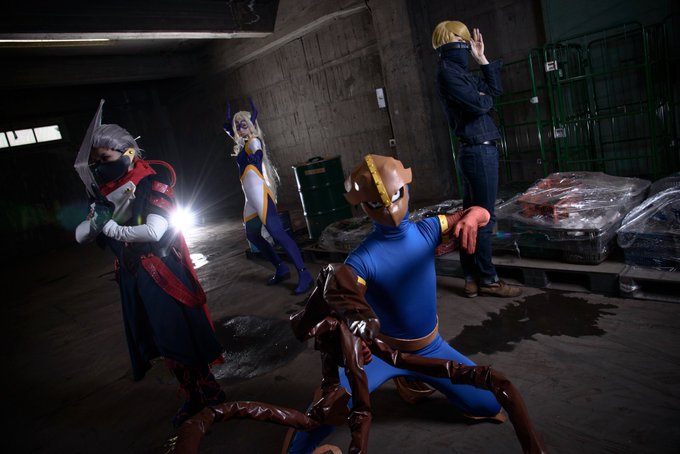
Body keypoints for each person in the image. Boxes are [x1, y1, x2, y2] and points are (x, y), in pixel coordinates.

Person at [287, 154, 505, 454]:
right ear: (364, 206)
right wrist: (356, 343)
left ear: (406, 188)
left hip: (430, 348)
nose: (389, 210)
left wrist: (471, 217)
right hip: (382, 354)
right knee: (327, 410)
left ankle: (412, 381)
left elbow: (481, 213)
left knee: (490, 402)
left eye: (394, 197)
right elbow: (346, 306)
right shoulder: (361, 260)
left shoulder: (429, 229)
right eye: (377, 203)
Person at [74, 104, 226, 428]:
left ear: (128, 153)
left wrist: (112, 228)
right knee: (157, 337)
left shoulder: (153, 183)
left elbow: (155, 232)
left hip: (161, 271)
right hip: (132, 276)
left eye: (106, 158)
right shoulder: (103, 195)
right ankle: (192, 395)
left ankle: (210, 390)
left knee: (179, 333)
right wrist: (95, 222)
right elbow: (81, 234)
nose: (101, 167)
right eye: (96, 162)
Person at [432, 20, 522, 298]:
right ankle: (488, 279)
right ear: (449, 45)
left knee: (469, 218)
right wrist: (481, 97)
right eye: (462, 43)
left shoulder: (461, 73)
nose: (466, 47)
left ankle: (470, 278)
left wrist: (481, 59)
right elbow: (480, 104)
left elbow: (494, 92)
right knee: (483, 218)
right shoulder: (449, 74)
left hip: (477, 150)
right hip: (478, 152)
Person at [226, 102, 313, 295]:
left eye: (243, 124)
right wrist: (230, 125)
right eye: (237, 125)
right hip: (250, 199)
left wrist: (256, 157)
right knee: (252, 235)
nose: (240, 128)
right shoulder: (243, 143)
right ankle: (280, 267)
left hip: (260, 196)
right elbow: (233, 133)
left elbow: (257, 151)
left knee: (278, 233)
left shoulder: (253, 141)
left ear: (251, 124)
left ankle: (304, 274)